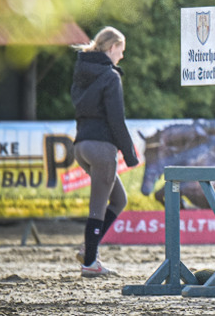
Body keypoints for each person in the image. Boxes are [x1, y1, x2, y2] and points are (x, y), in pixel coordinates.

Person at [69, 26, 138, 278]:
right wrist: (130, 155)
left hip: (81, 146)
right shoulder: (110, 76)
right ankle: (90, 262)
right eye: (121, 50)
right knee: (97, 207)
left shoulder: (82, 73)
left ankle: (88, 248)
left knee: (119, 199)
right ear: (112, 47)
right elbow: (116, 120)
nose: (122, 56)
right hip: (101, 148)